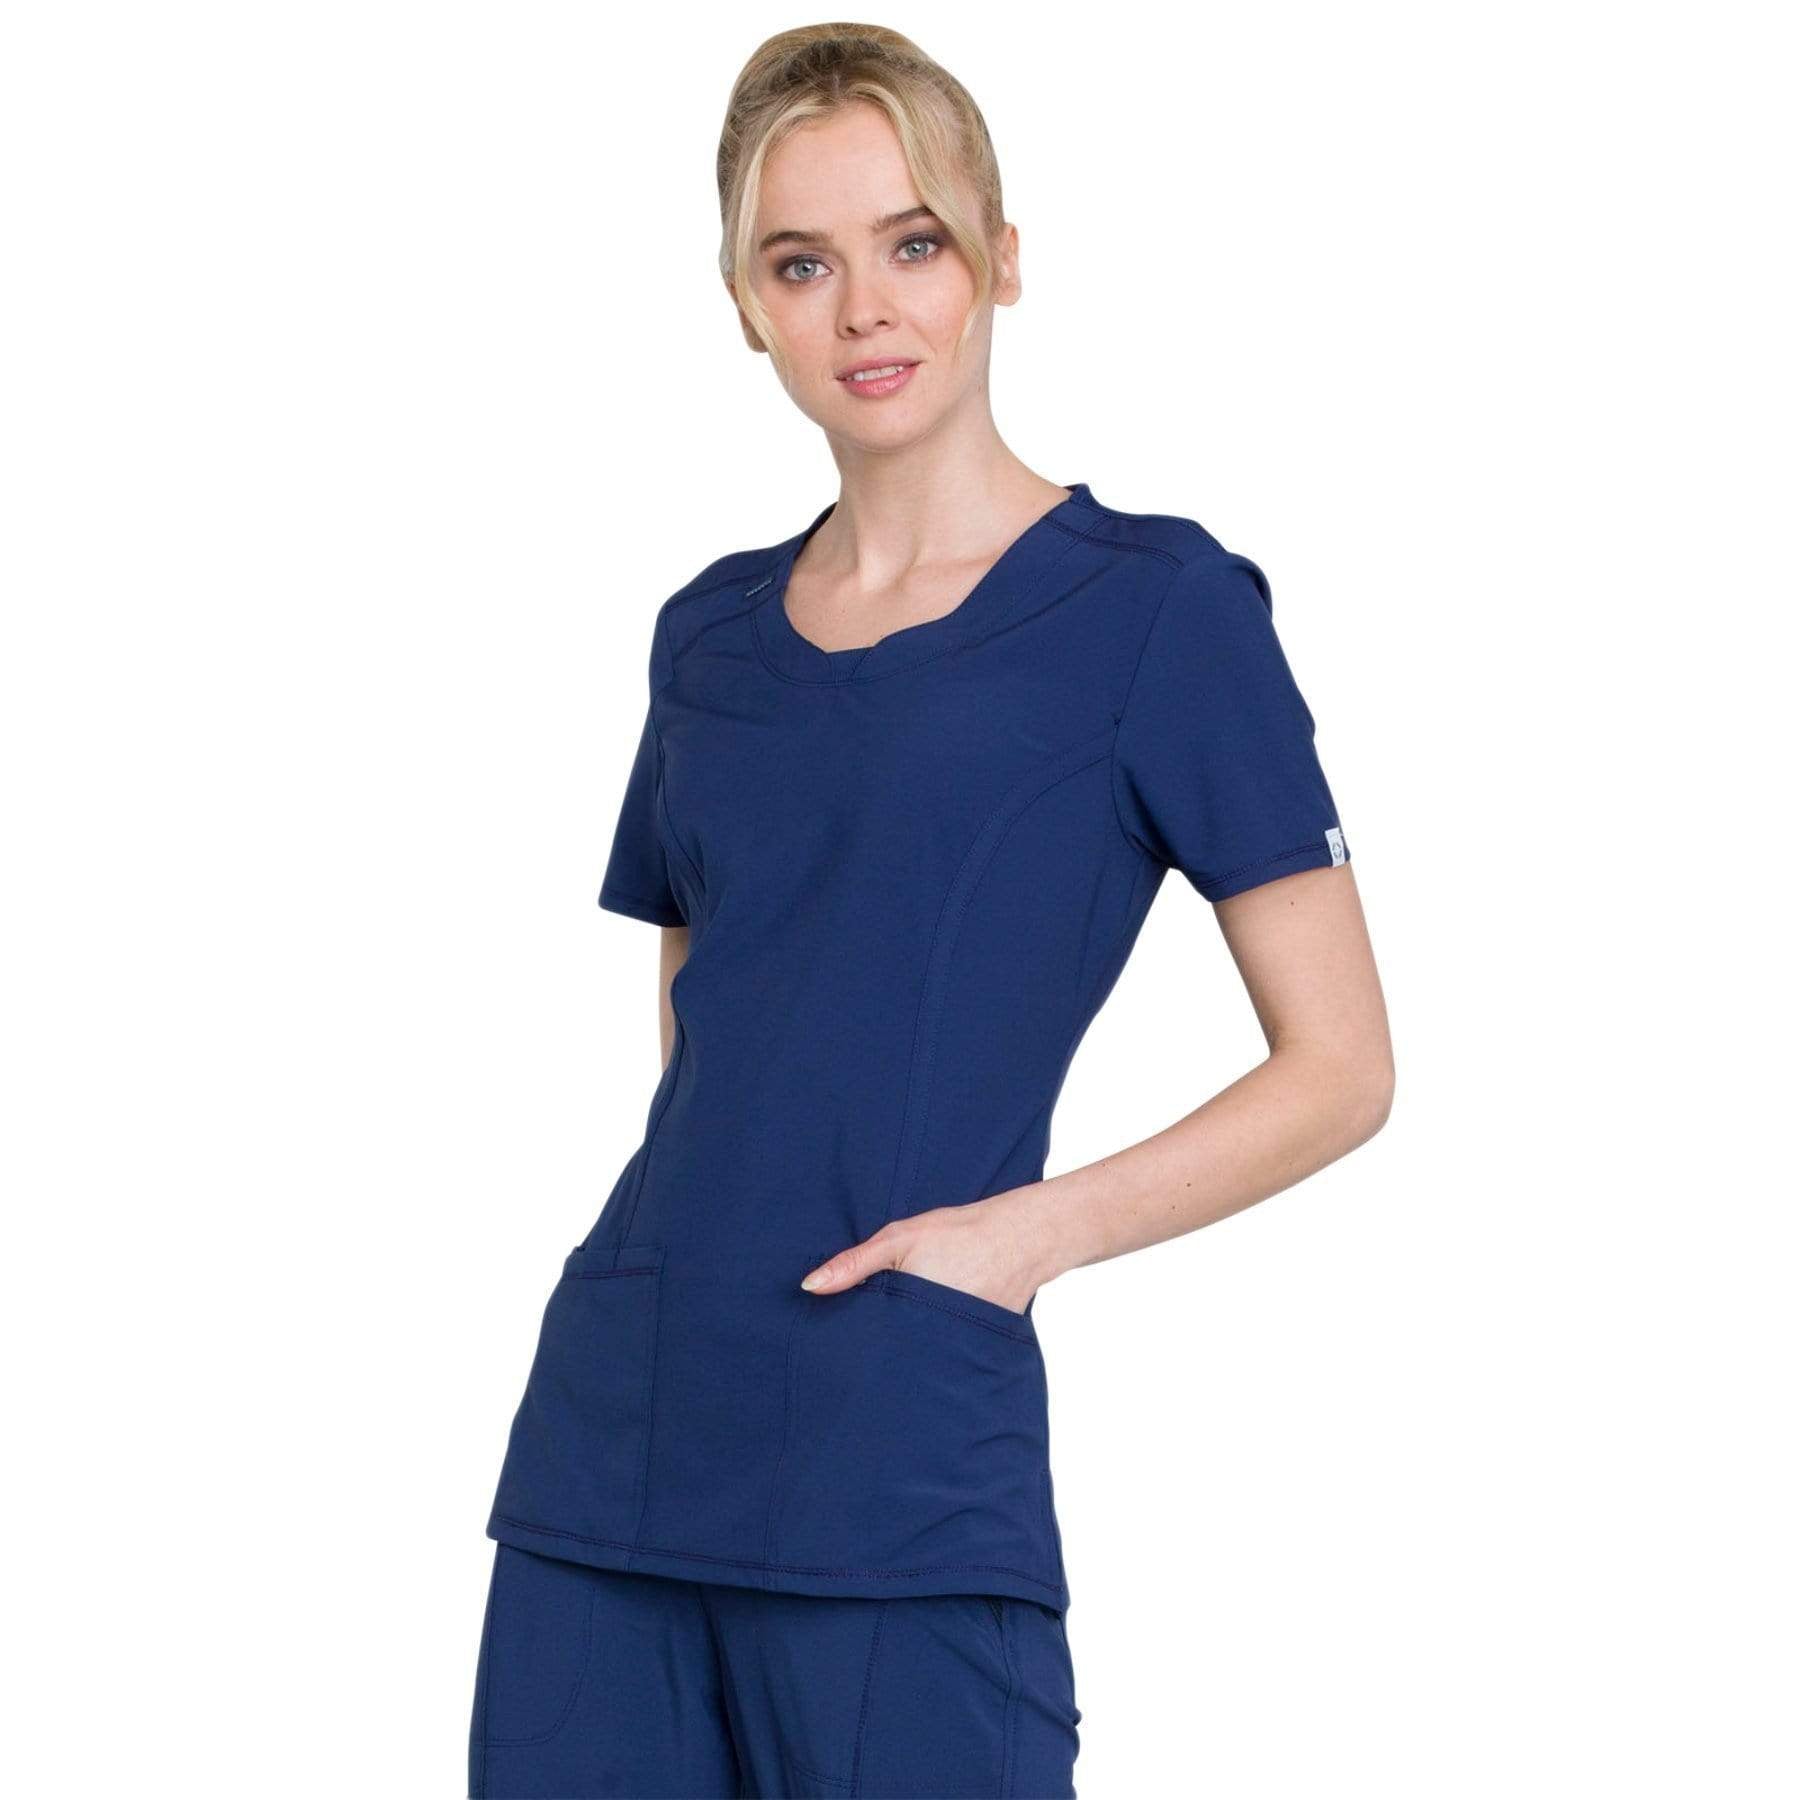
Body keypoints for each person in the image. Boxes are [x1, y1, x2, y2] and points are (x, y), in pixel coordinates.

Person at [467, 23, 1393, 1800]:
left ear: (1002, 259)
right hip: (614, 1444)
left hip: (897, 1449)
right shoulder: (706, 636)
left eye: (914, 243)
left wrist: (1017, 1240)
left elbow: (1343, 1068)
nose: (865, 309)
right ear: (745, 304)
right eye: (800, 264)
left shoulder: (1159, 611)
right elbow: (705, 1038)